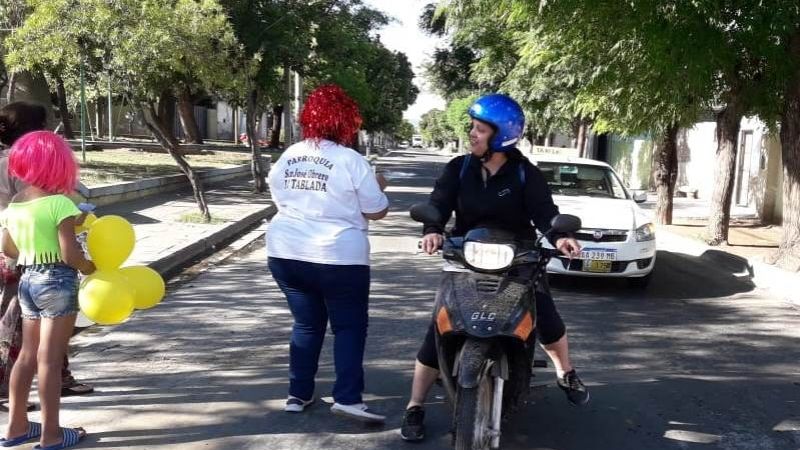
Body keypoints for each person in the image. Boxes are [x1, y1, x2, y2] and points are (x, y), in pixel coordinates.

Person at [400, 94, 590, 442]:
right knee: (439, 329)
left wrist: (561, 235)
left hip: (517, 259)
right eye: (472, 127)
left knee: (546, 317)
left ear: (500, 136)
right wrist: (432, 229)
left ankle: (566, 372)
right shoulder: (458, 168)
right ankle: (415, 405)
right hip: (465, 257)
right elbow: (438, 203)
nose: (472, 134)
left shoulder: (524, 173)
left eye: (480, 129)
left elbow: (545, 212)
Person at [266, 84, 389, 423]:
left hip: (286, 253)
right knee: (348, 326)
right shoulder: (351, 160)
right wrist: (379, 185)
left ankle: (298, 394)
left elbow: (279, 197)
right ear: (346, 121)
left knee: (306, 323)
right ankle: (347, 398)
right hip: (338, 257)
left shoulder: (289, 154)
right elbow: (376, 210)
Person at [0, 131, 95, 449]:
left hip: (28, 280)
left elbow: (8, 250)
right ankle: (52, 434)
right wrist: (89, 267)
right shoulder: (61, 203)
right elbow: (69, 254)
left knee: (27, 356)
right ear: (60, 165)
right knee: (51, 360)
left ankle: (16, 428)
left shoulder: (16, 204)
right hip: (58, 281)